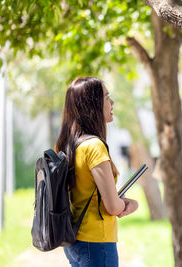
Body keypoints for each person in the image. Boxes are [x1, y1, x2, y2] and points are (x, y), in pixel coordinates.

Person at [55, 77, 138, 267]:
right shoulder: (94, 147)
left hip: (74, 241)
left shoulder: (70, 143)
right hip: (97, 243)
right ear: (92, 105)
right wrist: (131, 204)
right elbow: (113, 207)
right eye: (107, 97)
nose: (112, 103)